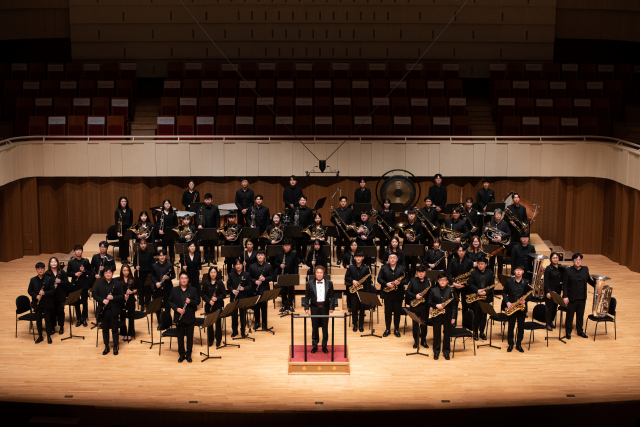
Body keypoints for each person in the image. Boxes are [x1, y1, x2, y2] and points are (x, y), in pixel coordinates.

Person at [562, 253, 596, 340]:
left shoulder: (585, 269)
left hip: (582, 297)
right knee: (570, 315)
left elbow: (588, 280)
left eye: (580, 260)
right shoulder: (568, 270)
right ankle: (568, 332)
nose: (578, 261)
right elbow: (565, 284)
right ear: (573, 261)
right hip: (571, 297)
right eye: (576, 260)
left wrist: (597, 284)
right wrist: (565, 296)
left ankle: (580, 331)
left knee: (580, 315)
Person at [169, 272, 201, 363]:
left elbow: (197, 301)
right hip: (179, 317)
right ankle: (181, 354)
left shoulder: (193, 290)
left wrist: (190, 301)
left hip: (190, 317)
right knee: (180, 337)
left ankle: (189, 355)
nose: (183, 280)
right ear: (179, 279)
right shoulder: (174, 290)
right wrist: (176, 309)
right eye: (182, 278)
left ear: (188, 280)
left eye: (185, 278)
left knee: (190, 337)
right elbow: (170, 301)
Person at [303, 266, 335, 354]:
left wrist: (331, 307)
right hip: (314, 308)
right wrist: (306, 308)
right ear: (315, 273)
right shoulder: (309, 283)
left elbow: (332, 296)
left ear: (323, 273)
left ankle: (324, 346)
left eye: (321, 272)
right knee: (315, 327)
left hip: (325, 307)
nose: (319, 274)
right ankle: (314, 346)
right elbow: (307, 297)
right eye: (318, 272)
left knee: (325, 328)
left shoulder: (329, 283)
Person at [94, 266, 123, 356]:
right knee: (105, 329)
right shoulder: (99, 284)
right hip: (104, 311)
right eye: (106, 273)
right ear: (104, 274)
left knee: (114, 329)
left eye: (109, 273)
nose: (108, 274)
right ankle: (106, 346)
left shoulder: (117, 284)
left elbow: (122, 296)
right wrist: (102, 300)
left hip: (113, 310)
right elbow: (94, 294)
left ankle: (115, 346)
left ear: (112, 274)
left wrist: (113, 297)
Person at [377, 253, 407, 338]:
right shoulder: (383, 268)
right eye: (391, 258)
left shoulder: (402, 268)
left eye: (394, 257)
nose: (393, 259)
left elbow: (407, 279)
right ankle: (387, 329)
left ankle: (396, 329)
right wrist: (386, 284)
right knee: (387, 313)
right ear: (388, 259)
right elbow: (379, 279)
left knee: (397, 313)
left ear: (397, 259)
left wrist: (400, 282)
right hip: (388, 294)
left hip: (398, 294)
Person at [428, 272, 457, 360]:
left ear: (447, 281)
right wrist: (436, 305)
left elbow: (454, 305)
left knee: (447, 334)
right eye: (441, 280)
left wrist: (453, 317)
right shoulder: (433, 290)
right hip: (437, 315)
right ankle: (436, 352)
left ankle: (446, 352)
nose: (443, 282)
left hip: (447, 315)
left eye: (444, 280)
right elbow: (429, 302)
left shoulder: (451, 290)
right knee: (436, 334)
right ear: (438, 281)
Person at [345, 250, 374, 333]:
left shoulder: (366, 268)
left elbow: (369, 280)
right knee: (354, 309)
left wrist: (367, 292)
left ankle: (361, 325)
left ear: (362, 258)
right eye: (356, 257)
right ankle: (355, 325)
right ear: (354, 258)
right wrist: (352, 281)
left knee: (362, 309)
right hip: (354, 292)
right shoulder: (351, 267)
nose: (358, 258)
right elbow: (346, 278)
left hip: (363, 291)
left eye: (360, 257)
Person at [503, 265, 531, 352]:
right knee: (511, 327)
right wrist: (507, 302)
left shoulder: (526, 282)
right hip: (512, 307)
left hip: (521, 308)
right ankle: (510, 344)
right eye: (517, 270)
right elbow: (504, 292)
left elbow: (530, 295)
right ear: (514, 271)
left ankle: (519, 344)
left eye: (520, 270)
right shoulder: (509, 281)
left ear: (523, 272)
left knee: (521, 327)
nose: (518, 272)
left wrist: (525, 301)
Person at [467, 256, 495, 340]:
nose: (480, 266)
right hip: (476, 297)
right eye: (478, 264)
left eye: (482, 264)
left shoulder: (490, 273)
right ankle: (475, 332)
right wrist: (477, 290)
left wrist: (486, 292)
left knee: (484, 316)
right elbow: (470, 284)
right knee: (476, 316)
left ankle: (482, 332)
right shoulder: (473, 273)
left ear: (486, 264)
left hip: (486, 297)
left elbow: (492, 286)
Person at [66, 245, 93, 327]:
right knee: (76, 302)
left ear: (82, 251)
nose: (78, 252)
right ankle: (79, 319)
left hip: (84, 284)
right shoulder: (71, 262)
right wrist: (75, 274)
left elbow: (90, 272)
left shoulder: (86, 261)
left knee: (85, 302)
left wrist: (84, 271)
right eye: (77, 250)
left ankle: (84, 319)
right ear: (74, 252)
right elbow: (68, 273)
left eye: (80, 250)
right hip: (75, 284)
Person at [405, 265, 431, 349]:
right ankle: (416, 341)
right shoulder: (413, 280)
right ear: (417, 273)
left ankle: (423, 340)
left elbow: (431, 295)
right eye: (419, 272)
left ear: (425, 273)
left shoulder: (428, 282)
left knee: (424, 324)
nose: (421, 274)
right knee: (415, 324)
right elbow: (408, 291)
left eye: (422, 272)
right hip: (415, 306)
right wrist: (415, 296)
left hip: (424, 307)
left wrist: (430, 306)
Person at [28, 262, 54, 344]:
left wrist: (44, 293)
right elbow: (29, 291)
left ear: (44, 269)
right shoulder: (33, 280)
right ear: (36, 270)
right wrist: (36, 296)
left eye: (42, 269)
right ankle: (40, 336)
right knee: (38, 321)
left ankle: (49, 336)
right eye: (39, 269)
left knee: (48, 320)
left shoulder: (48, 279)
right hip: (37, 303)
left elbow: (53, 291)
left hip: (46, 303)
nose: (40, 270)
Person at [249, 250, 274, 331]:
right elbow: (249, 278)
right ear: (256, 256)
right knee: (256, 307)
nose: (260, 256)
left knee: (264, 308)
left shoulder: (268, 266)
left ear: (264, 256)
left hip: (264, 290)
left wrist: (265, 279)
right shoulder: (252, 266)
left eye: (262, 255)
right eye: (258, 255)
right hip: (255, 290)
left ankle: (264, 324)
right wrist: (255, 281)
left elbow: (272, 277)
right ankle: (257, 323)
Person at [227, 259, 252, 337]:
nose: (238, 266)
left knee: (243, 315)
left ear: (242, 265)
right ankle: (235, 331)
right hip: (234, 297)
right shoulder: (231, 275)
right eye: (236, 264)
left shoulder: (246, 274)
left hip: (243, 297)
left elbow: (250, 286)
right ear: (234, 266)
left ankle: (243, 332)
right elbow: (228, 285)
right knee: (234, 315)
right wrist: (232, 290)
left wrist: (244, 288)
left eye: (240, 264)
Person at [201, 267, 226, 348]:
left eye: (214, 272)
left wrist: (216, 298)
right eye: (211, 272)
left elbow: (224, 294)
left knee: (218, 323)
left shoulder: (220, 283)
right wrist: (209, 301)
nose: (213, 274)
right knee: (210, 324)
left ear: (216, 273)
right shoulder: (206, 283)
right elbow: (203, 294)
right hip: (209, 305)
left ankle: (218, 340)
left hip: (218, 305)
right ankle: (210, 340)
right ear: (209, 273)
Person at [150, 249, 175, 324]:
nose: (162, 257)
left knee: (168, 305)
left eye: (163, 255)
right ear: (157, 256)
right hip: (158, 288)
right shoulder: (154, 266)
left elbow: (173, 275)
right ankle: (160, 322)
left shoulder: (169, 265)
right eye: (160, 255)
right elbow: (151, 275)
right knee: (158, 306)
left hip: (167, 288)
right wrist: (156, 283)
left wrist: (168, 278)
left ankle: (167, 322)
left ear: (165, 256)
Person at [46, 257, 69, 336]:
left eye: (55, 262)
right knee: (52, 312)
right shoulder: (47, 273)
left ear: (57, 263)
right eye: (51, 262)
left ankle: (61, 327)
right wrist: (52, 286)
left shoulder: (62, 272)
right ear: (49, 264)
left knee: (60, 312)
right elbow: (45, 285)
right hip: (51, 296)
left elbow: (66, 283)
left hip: (60, 295)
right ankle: (53, 327)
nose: (53, 263)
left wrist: (60, 282)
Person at [447, 244, 473, 313]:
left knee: (465, 304)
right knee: (454, 304)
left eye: (463, 251)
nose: (461, 252)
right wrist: (453, 283)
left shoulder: (469, 261)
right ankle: (453, 323)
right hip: (454, 285)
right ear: (457, 252)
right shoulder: (452, 261)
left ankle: (465, 323)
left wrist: (464, 284)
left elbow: (471, 275)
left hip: (465, 286)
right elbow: (449, 273)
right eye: (459, 251)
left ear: (465, 252)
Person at [273, 239, 299, 312]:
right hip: (282, 275)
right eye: (285, 246)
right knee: (283, 290)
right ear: (283, 246)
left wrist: (295, 275)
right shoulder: (279, 254)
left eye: (288, 246)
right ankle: (284, 305)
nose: (287, 247)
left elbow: (296, 266)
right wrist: (279, 265)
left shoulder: (293, 254)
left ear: (290, 246)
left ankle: (290, 304)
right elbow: (275, 263)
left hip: (291, 274)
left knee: (291, 290)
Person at [197, 193, 220, 264]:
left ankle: (212, 258)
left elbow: (217, 218)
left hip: (212, 229)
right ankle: (205, 258)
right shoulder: (201, 208)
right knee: (205, 244)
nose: (207, 201)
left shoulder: (215, 208)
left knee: (212, 244)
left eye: (209, 199)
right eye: (206, 199)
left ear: (211, 200)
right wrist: (199, 224)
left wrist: (218, 228)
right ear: (204, 200)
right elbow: (197, 217)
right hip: (204, 229)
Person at [543, 252, 564, 331]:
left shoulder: (561, 268)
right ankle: (547, 323)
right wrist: (548, 292)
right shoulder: (548, 268)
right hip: (550, 292)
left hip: (557, 291)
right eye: (554, 258)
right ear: (551, 259)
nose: (555, 259)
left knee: (554, 308)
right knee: (549, 308)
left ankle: (551, 321)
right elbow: (546, 281)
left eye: (556, 258)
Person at [331, 196, 354, 265]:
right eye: (342, 201)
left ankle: (346, 259)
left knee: (347, 246)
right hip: (339, 231)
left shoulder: (350, 210)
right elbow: (332, 219)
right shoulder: (336, 210)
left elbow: (353, 220)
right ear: (339, 202)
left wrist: (351, 226)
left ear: (346, 202)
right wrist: (336, 223)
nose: (343, 203)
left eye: (344, 201)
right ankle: (339, 259)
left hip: (347, 231)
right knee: (339, 245)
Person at [133, 239, 154, 311]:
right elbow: (134, 263)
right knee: (141, 289)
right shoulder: (137, 253)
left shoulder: (150, 253)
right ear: (139, 244)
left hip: (148, 274)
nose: (143, 245)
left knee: (147, 289)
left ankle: (148, 304)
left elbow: (152, 264)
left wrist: (151, 274)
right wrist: (136, 266)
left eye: (144, 243)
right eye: (141, 244)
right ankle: (141, 304)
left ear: (146, 244)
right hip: (140, 274)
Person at [487, 209, 511, 274]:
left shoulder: (505, 223)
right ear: (494, 215)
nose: (497, 216)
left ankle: (500, 276)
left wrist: (501, 237)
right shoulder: (491, 223)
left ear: (501, 215)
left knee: (500, 261)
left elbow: (509, 233)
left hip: (501, 245)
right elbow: (487, 234)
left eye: (499, 214)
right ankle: (491, 276)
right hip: (492, 244)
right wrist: (491, 239)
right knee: (491, 261)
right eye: (496, 214)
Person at [401, 210, 423, 275]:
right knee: (406, 261)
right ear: (407, 215)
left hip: (415, 245)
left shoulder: (418, 225)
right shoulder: (404, 224)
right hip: (406, 245)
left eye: (413, 214)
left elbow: (421, 234)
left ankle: (413, 275)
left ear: (415, 215)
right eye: (410, 214)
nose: (411, 215)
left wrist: (415, 239)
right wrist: (406, 236)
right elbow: (400, 234)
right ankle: (407, 274)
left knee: (414, 261)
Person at [118, 263, 137, 342]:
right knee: (122, 317)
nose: (126, 272)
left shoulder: (133, 279)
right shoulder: (118, 280)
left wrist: (131, 292)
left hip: (131, 300)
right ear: (122, 271)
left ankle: (130, 333)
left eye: (127, 270)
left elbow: (136, 289)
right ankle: (124, 333)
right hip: (122, 301)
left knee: (131, 317)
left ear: (129, 271)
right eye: (124, 270)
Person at [157, 199, 178, 263]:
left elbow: (176, 223)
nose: (167, 205)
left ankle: (172, 259)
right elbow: (158, 223)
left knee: (171, 246)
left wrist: (175, 231)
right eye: (166, 203)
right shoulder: (161, 213)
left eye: (168, 203)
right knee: (164, 246)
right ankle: (164, 260)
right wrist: (159, 229)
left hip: (171, 232)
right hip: (164, 232)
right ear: (163, 205)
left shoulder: (173, 212)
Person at [294, 196, 314, 262]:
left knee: (304, 245)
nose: (303, 201)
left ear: (306, 201)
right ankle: (299, 258)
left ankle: (303, 258)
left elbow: (311, 220)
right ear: (299, 202)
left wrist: (310, 229)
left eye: (304, 200)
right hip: (297, 230)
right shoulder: (295, 209)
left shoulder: (309, 210)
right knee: (297, 245)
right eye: (301, 200)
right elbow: (291, 219)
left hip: (306, 230)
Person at [115, 196, 134, 262]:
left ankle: (126, 258)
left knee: (127, 243)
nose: (124, 202)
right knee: (121, 243)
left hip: (127, 228)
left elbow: (131, 220)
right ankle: (122, 258)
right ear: (120, 202)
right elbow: (116, 222)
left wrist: (130, 228)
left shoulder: (130, 210)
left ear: (127, 202)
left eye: (125, 201)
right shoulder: (117, 211)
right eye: (122, 201)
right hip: (121, 229)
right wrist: (117, 231)